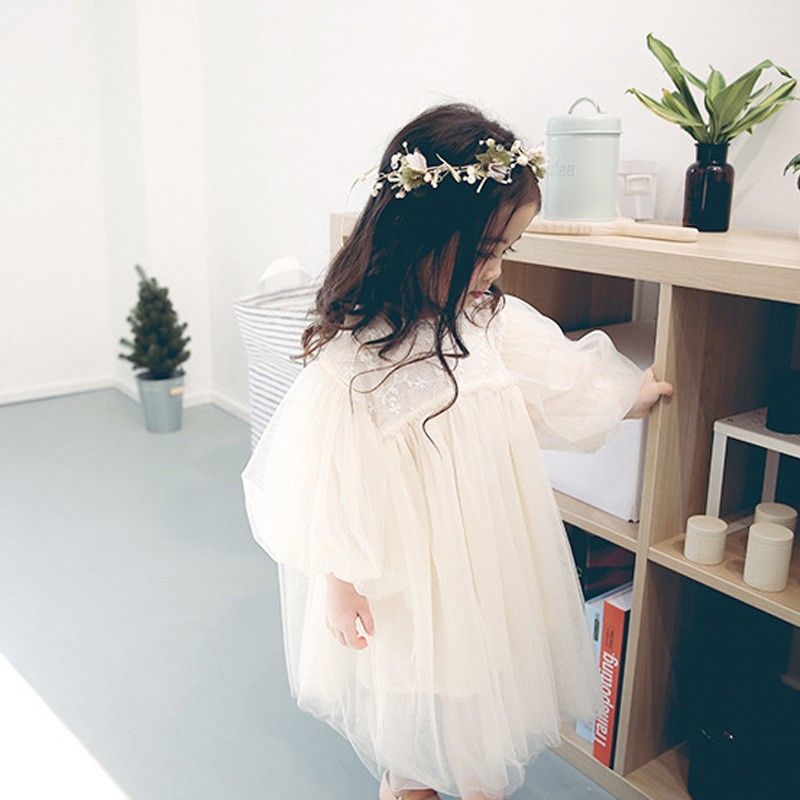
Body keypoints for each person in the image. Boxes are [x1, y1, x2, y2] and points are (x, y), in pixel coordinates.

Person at [240, 102, 674, 800]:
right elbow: (323, 474)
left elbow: (560, 378)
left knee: (482, 682)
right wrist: (340, 580)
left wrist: (628, 393)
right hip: (403, 561)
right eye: (483, 251)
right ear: (420, 235)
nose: (495, 271)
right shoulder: (358, 353)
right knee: (414, 681)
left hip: (489, 546)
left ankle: (473, 780)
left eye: (506, 251)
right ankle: (409, 776)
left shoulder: (488, 321)